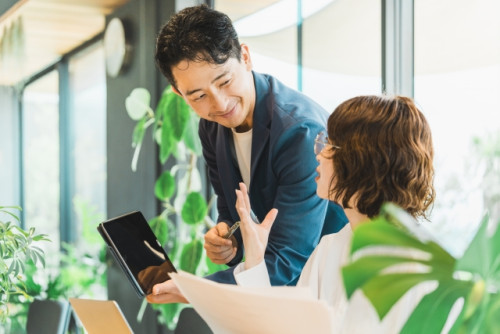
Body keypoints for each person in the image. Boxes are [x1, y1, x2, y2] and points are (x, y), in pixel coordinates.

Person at [153, 4, 347, 286]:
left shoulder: (300, 132)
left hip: (328, 286)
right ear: (179, 94)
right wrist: (229, 242)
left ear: (244, 57)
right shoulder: (211, 126)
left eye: (225, 81)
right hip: (277, 290)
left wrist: (195, 289)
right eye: (198, 96)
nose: (219, 104)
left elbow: (289, 257)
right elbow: (232, 213)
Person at [232, 95, 436, 332]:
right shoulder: (330, 247)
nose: (319, 153)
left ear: (364, 161)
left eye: (330, 144)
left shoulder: (418, 268)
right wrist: (255, 260)